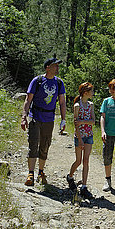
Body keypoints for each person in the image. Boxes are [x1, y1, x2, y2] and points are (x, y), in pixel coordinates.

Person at [21, 56, 66, 186]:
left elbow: (62, 102)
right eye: (55, 65)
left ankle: (40, 171)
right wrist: (24, 117)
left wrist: (63, 120)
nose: (57, 68)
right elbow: (28, 100)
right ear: (48, 67)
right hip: (35, 116)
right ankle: (31, 173)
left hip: (49, 119)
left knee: (45, 145)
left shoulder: (59, 83)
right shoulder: (38, 81)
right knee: (33, 144)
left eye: (58, 65)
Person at [66, 82, 95, 200]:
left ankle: (84, 186)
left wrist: (83, 121)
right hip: (79, 136)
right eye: (91, 91)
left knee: (86, 160)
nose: (93, 93)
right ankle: (70, 176)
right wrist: (79, 139)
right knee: (78, 161)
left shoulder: (91, 105)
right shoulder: (77, 106)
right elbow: (75, 124)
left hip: (89, 135)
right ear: (85, 93)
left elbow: (93, 121)